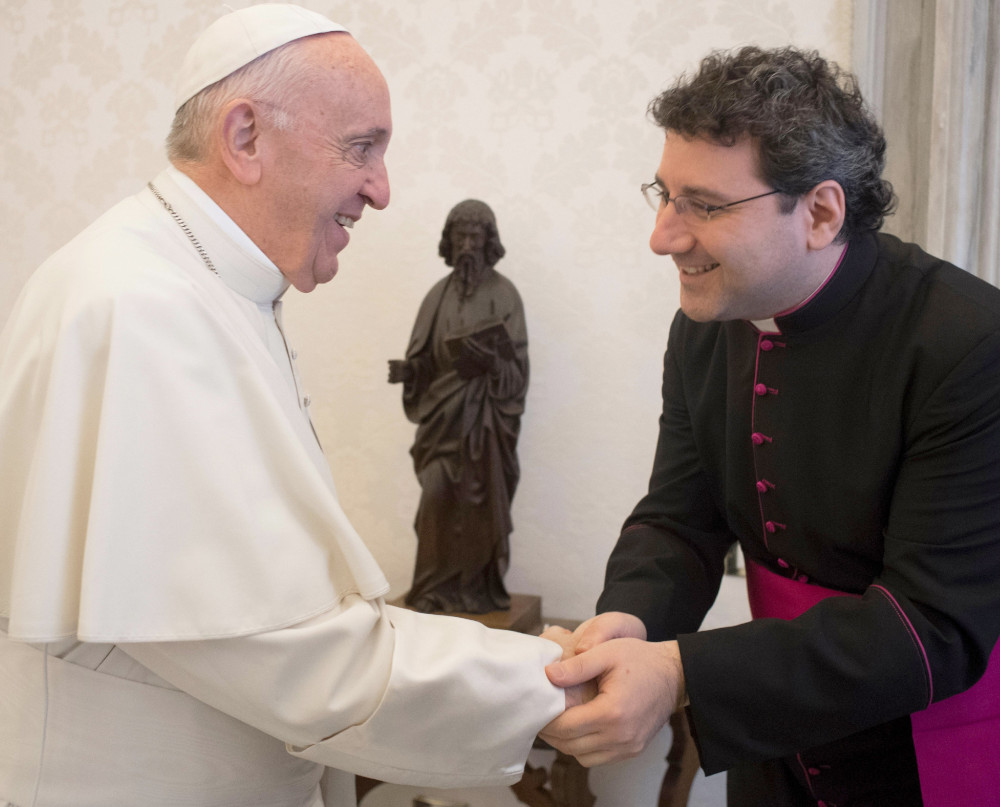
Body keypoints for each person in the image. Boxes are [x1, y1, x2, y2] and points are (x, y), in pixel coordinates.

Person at [0, 6, 574, 806]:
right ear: (245, 139)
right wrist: (556, 679)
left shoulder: (210, 286)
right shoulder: (140, 307)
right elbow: (278, 650)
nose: (380, 188)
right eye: (361, 148)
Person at [541, 45, 1000, 806]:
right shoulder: (705, 326)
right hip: (774, 733)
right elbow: (679, 522)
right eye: (665, 193)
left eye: (706, 205)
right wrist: (625, 623)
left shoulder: (968, 345)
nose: (664, 235)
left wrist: (683, 670)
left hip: (922, 746)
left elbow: (935, 626)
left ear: (820, 211)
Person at [388, 199, 527, 615]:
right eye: (460, 236)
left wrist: (492, 364)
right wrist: (410, 371)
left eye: (475, 236)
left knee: (479, 509)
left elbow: (517, 374)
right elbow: (426, 361)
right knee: (435, 498)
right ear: (450, 241)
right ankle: (431, 591)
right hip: (441, 427)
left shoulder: (505, 296)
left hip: (484, 431)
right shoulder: (437, 296)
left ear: (488, 241)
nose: (467, 244)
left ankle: (476, 593)